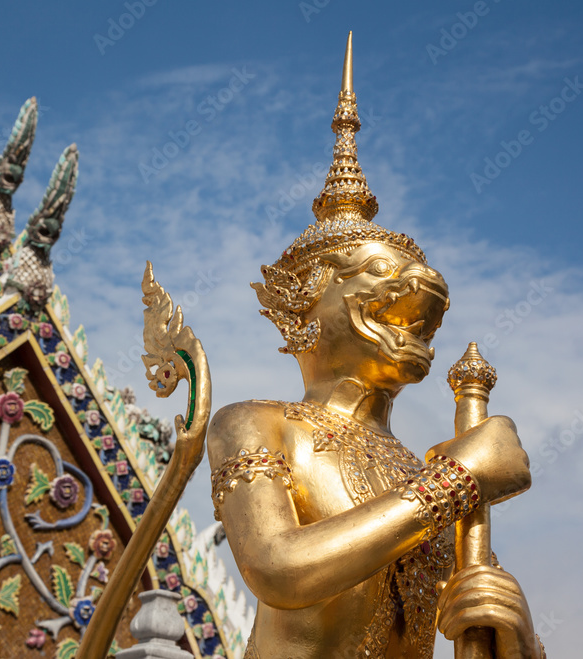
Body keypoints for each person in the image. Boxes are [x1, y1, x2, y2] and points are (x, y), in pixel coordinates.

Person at [206, 34, 544, 658]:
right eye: (376, 274)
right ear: (305, 298)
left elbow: (464, 629)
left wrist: (515, 635)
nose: (418, 297)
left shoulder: (425, 469)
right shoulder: (257, 425)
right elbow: (279, 569)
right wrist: (457, 482)